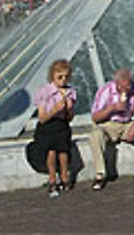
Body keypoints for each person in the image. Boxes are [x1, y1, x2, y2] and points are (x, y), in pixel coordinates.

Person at [89, 68, 134, 189]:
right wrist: (112, 108)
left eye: (128, 86)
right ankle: (100, 174)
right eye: (123, 87)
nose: (126, 90)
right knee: (95, 135)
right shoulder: (106, 91)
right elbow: (95, 117)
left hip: (127, 124)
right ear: (117, 83)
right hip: (108, 124)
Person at [33, 59, 77, 198]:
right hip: (47, 126)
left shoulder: (70, 92)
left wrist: (69, 110)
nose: (63, 80)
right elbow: (42, 118)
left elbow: (69, 118)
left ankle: (65, 176)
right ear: (52, 76)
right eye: (60, 77)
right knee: (51, 152)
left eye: (66, 77)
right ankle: (52, 179)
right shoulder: (44, 92)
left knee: (63, 151)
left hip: (61, 125)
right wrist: (55, 109)